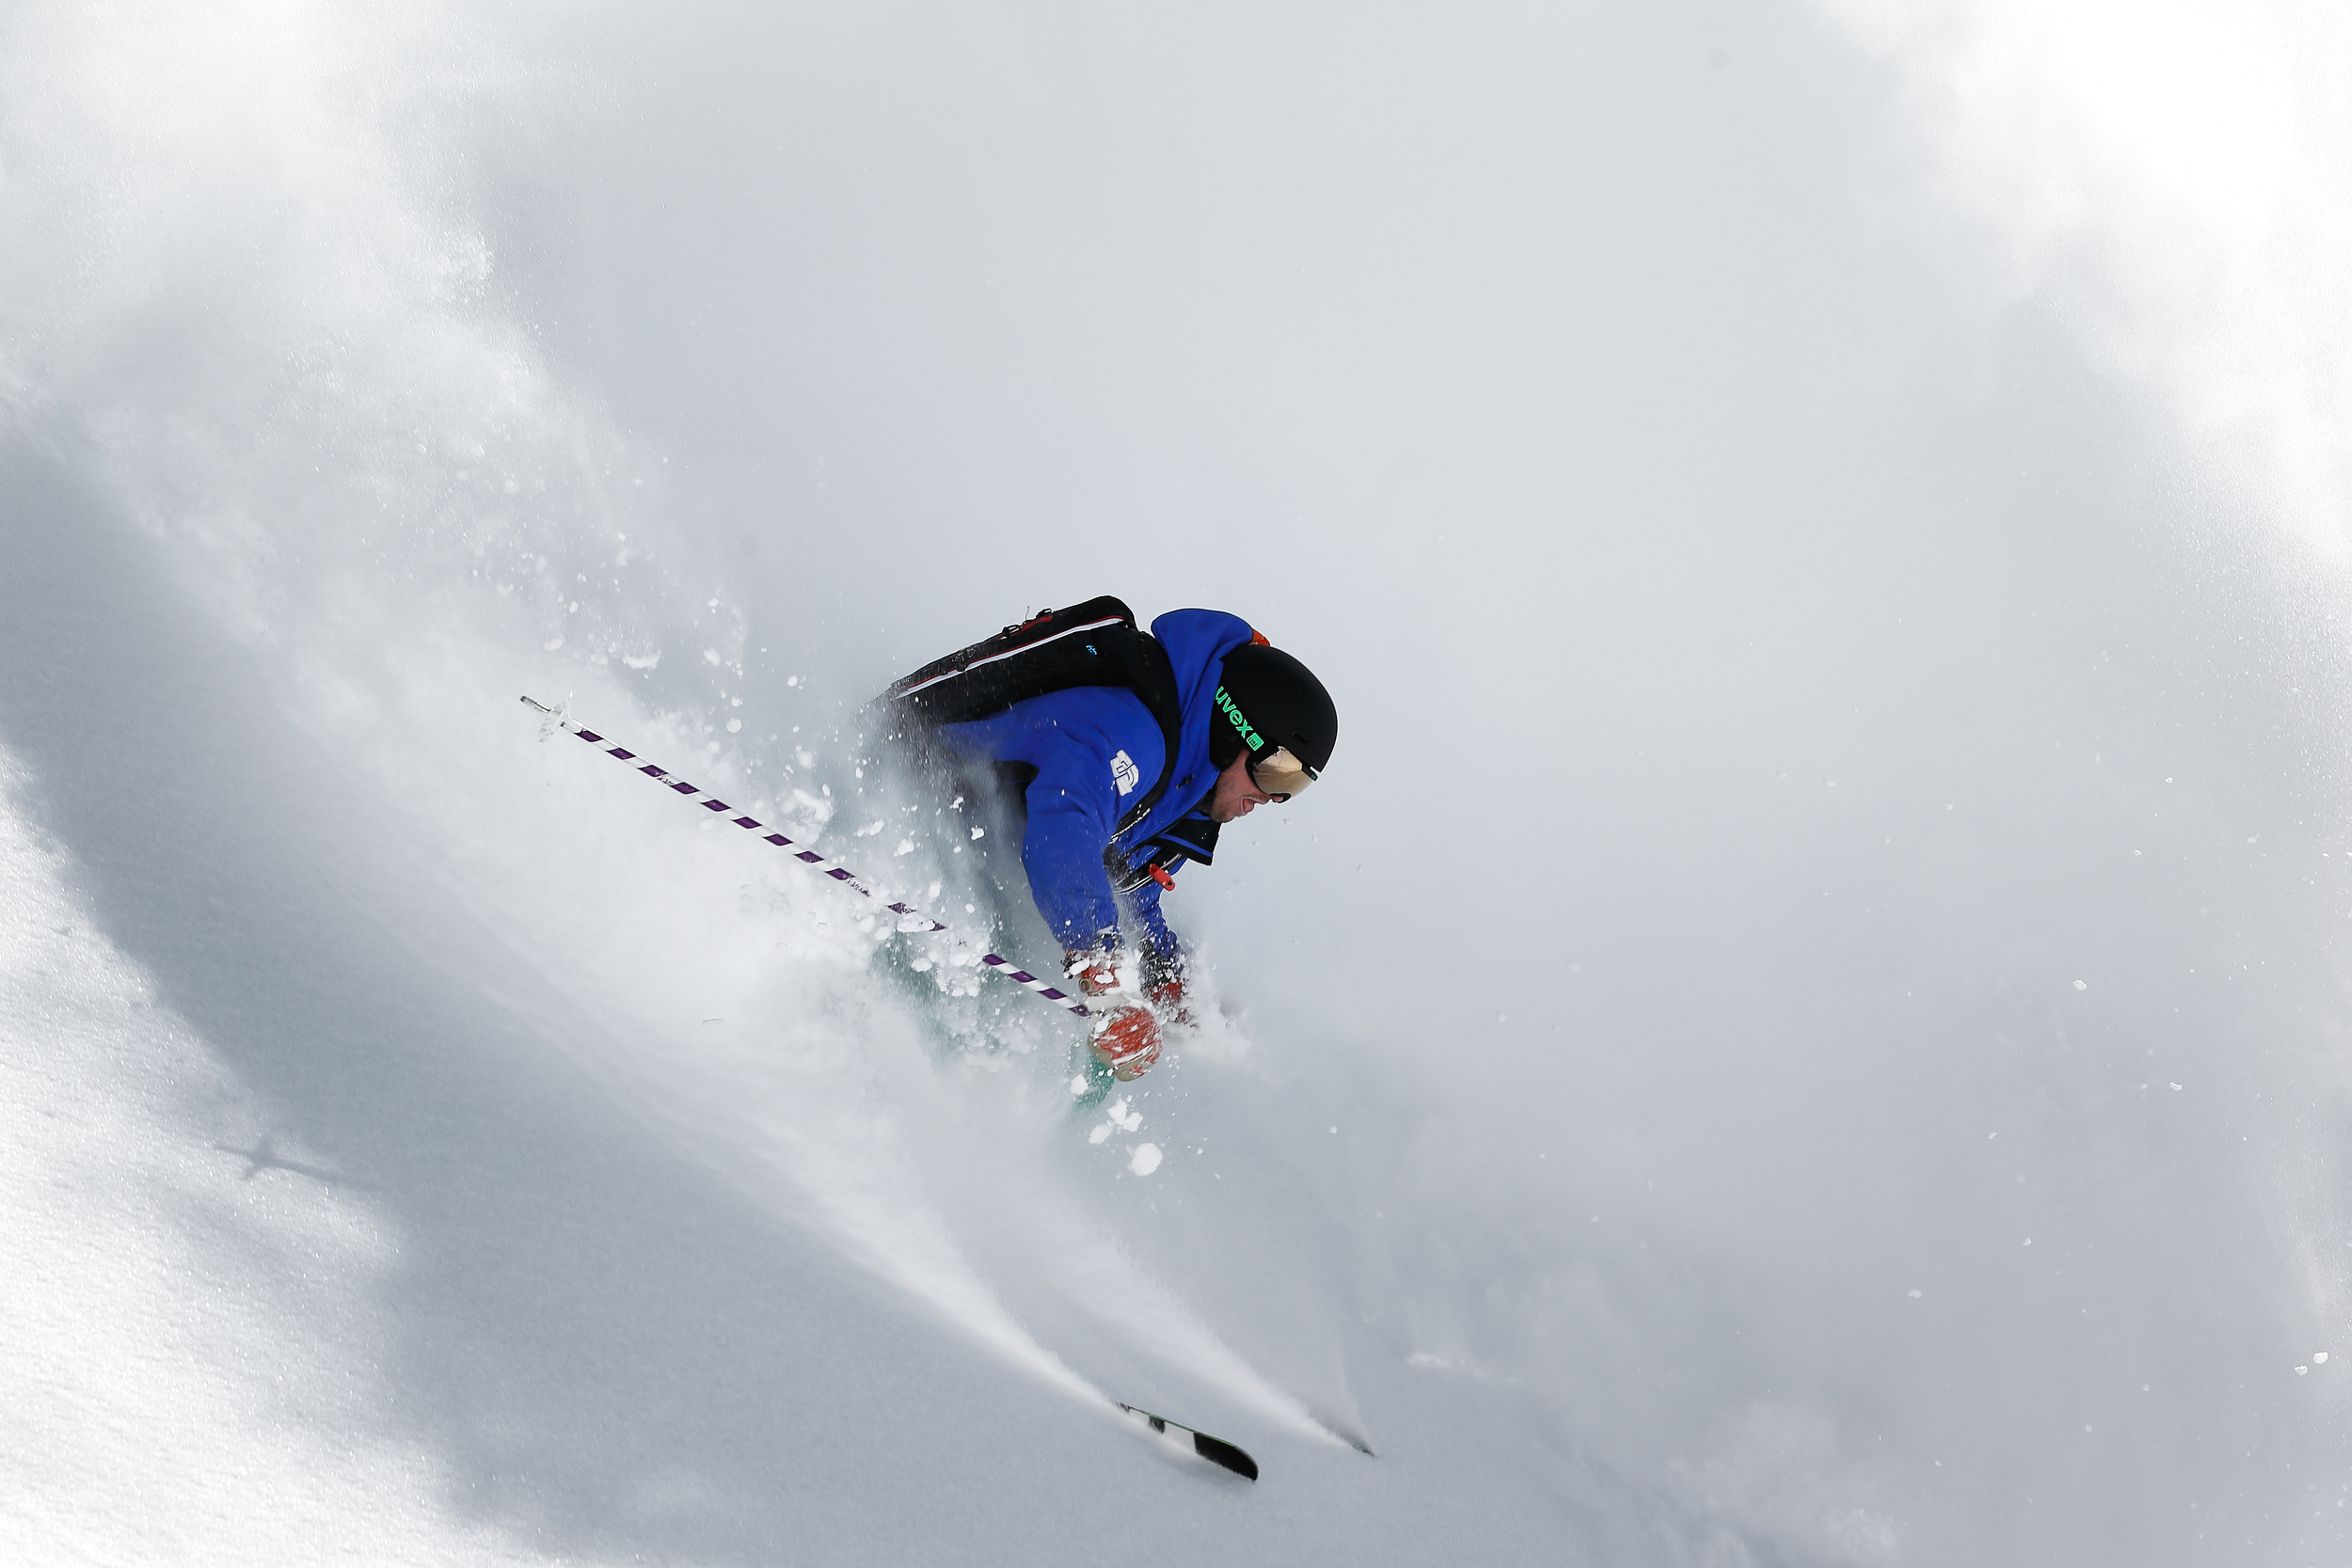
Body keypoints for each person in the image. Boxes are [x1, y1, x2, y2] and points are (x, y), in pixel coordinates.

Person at [922, 609, 1336, 1082]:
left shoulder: (1190, 790)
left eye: (1294, 786)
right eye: (1276, 772)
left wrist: (1166, 978)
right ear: (1235, 727)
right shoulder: (1134, 733)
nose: (1272, 798)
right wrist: (1105, 974)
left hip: (963, 852)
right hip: (918, 789)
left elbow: (1131, 881)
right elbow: (1064, 830)